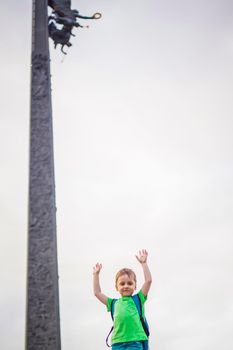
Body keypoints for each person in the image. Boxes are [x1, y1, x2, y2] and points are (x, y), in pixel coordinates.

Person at [93, 249, 152, 350]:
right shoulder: (112, 303)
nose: (126, 286)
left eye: (130, 283)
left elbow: (148, 281)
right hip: (117, 343)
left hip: (135, 341)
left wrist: (144, 264)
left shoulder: (138, 298)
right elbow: (97, 293)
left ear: (135, 286)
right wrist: (96, 275)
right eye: (122, 283)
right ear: (116, 287)